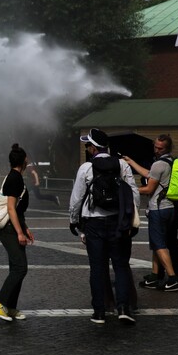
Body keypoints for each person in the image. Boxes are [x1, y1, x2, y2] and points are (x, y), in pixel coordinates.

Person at [69, 129, 140, 325]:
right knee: (121, 266)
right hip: (118, 222)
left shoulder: (85, 168)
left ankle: (99, 312)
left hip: (94, 223)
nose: (87, 149)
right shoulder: (122, 165)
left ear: (93, 148)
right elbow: (133, 193)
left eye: (87, 146)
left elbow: (76, 199)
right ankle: (124, 308)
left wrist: (74, 221)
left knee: (98, 268)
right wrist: (131, 219)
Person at [123, 134, 178, 291]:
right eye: (155, 146)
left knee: (159, 244)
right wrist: (131, 162)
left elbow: (149, 188)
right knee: (158, 243)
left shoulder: (158, 164)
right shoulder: (170, 161)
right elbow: (149, 174)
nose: (156, 150)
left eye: (160, 148)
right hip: (169, 208)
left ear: (166, 148)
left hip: (158, 209)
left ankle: (172, 278)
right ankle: (155, 276)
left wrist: (129, 189)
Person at [0, 144, 34, 321]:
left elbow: (18, 210)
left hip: (13, 227)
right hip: (8, 230)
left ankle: (11, 307)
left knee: (16, 267)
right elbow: (11, 209)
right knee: (20, 268)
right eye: (27, 159)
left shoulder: (15, 177)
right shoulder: (15, 178)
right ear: (23, 161)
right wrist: (19, 233)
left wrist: (25, 228)